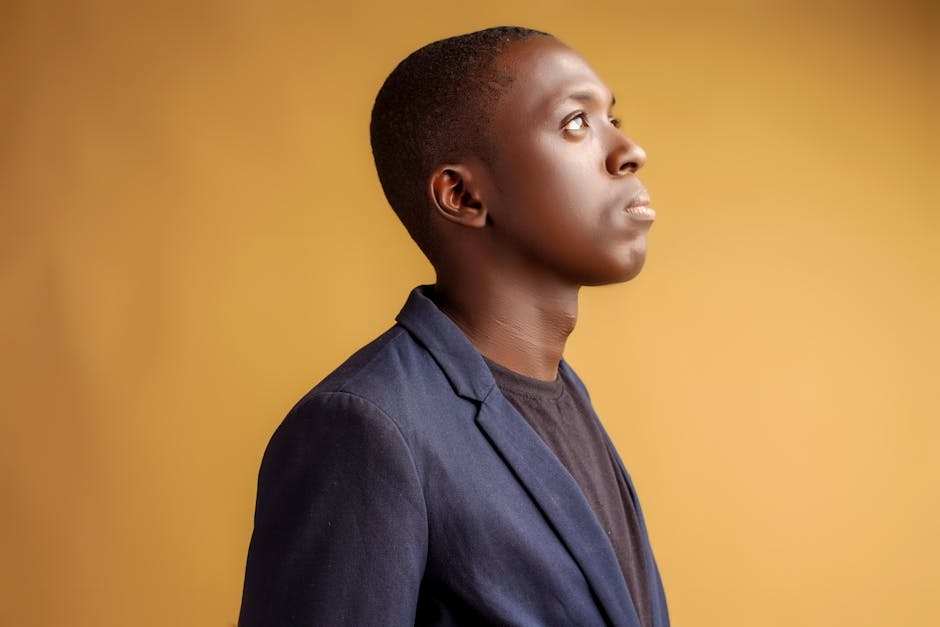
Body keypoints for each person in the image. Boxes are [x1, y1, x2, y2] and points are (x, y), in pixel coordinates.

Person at [239, 26, 669, 627]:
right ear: (463, 196)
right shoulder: (365, 428)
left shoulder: (565, 398)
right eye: (575, 122)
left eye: (612, 117)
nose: (628, 150)